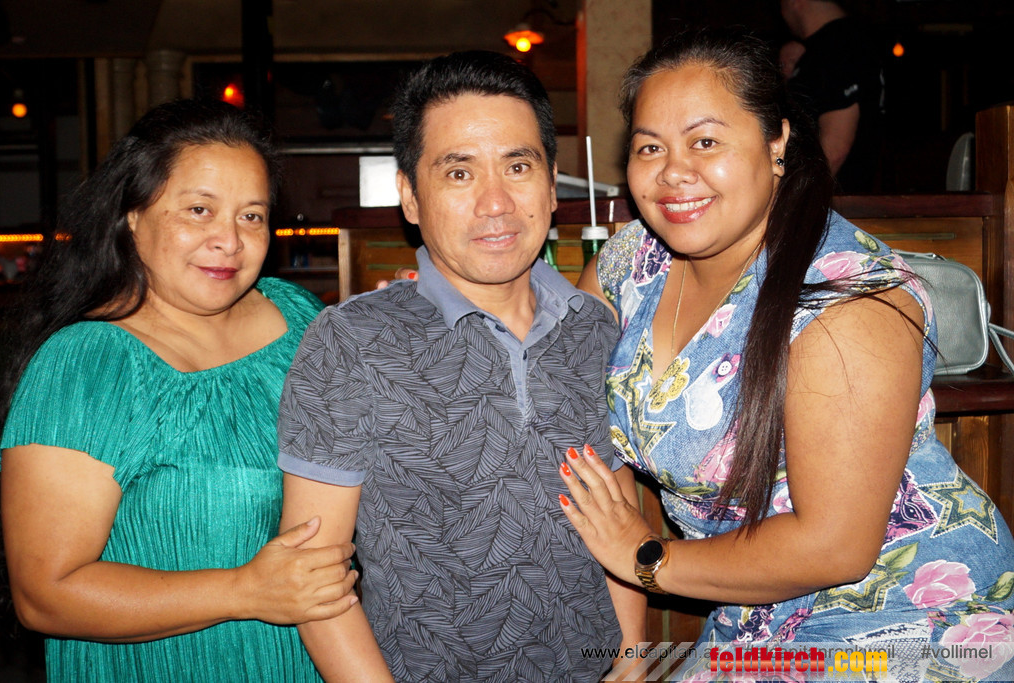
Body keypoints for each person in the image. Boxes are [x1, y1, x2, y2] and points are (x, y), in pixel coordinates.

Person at [558, 25, 1014, 680]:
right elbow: (574, 421)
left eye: (705, 141)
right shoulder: (631, 264)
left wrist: (645, 558)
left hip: (907, 620)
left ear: (777, 142)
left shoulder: (849, 299)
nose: (672, 171)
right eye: (649, 146)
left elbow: (834, 548)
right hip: (751, 613)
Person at [278, 50, 645, 682]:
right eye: (458, 172)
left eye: (518, 166)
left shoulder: (595, 327)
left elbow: (617, 510)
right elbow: (314, 572)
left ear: (551, 185)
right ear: (410, 196)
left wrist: (633, 653)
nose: (495, 202)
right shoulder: (350, 342)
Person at [0, 99, 358, 681]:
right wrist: (243, 590)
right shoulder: (87, 365)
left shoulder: (299, 319)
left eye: (251, 216)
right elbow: (45, 594)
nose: (229, 241)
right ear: (132, 215)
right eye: (199, 210)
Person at [780, 0, 884, 192]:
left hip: (830, 201)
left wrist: (792, 200)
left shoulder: (837, 45)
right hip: (835, 198)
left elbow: (835, 148)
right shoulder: (841, 43)